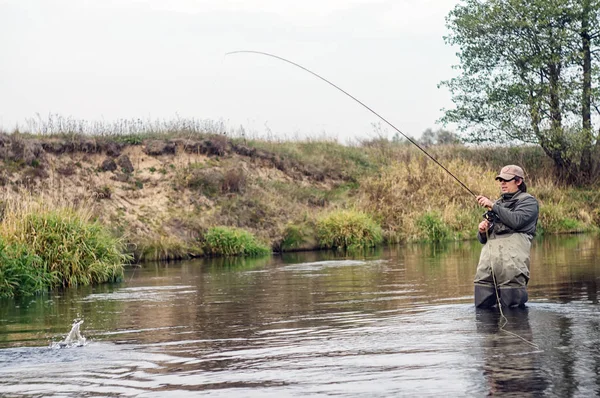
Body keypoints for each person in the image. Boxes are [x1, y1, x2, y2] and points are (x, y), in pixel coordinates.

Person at [473, 165, 539, 308]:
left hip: (512, 264)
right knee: (482, 307)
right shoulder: (497, 204)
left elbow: (516, 221)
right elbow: (482, 239)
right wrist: (483, 230)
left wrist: (493, 206)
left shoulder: (529, 202)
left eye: (506, 180)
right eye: (500, 180)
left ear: (518, 181)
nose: (502, 183)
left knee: (513, 309)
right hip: (489, 263)